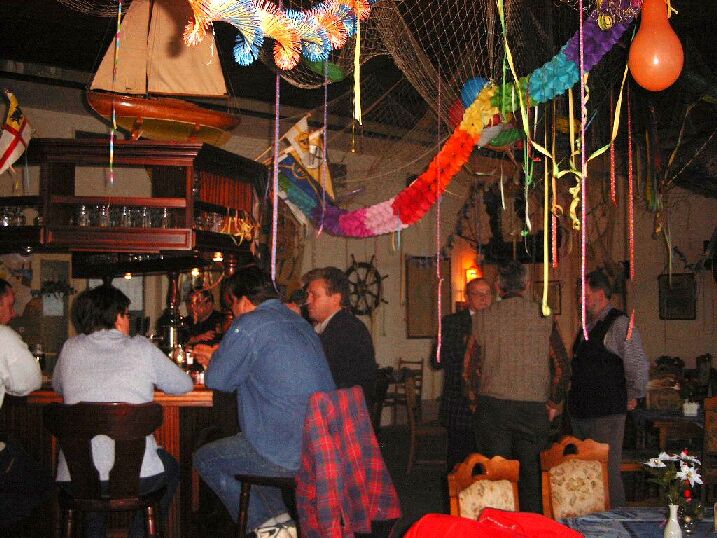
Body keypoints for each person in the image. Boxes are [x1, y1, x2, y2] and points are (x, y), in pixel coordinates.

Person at [192, 266, 335, 536]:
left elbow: (218, 381)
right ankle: (280, 527)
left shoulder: (249, 324)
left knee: (205, 458)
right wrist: (222, 358)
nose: (233, 313)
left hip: (286, 450)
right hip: (318, 445)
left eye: (232, 306)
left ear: (244, 301)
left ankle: (268, 527)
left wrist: (214, 359)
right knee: (248, 453)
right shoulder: (298, 322)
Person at [53, 284, 193, 538]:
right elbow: (184, 384)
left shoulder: (70, 348)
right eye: (127, 314)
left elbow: (57, 386)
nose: (129, 321)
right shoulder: (141, 348)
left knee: (90, 481)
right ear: (118, 316)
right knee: (171, 468)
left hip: (74, 477)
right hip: (139, 477)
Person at [470, 261, 569, 513]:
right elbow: (562, 367)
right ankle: (531, 527)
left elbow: (470, 370)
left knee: (497, 480)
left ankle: (499, 527)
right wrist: (553, 403)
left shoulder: (482, 318)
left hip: (493, 410)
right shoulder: (544, 316)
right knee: (531, 480)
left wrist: (475, 403)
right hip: (532, 410)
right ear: (526, 285)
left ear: (498, 286)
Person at [568, 269, 649, 507]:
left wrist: (633, 394)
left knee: (606, 473)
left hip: (606, 412)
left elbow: (637, 363)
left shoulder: (619, 324)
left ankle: (617, 521)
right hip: (582, 411)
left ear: (600, 294)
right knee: (586, 475)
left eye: (585, 295)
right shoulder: (589, 326)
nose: (580, 300)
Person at [0, 278, 48, 526]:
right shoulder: (2, 336)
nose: (14, 313)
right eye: (10, 305)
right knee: (42, 484)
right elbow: (30, 382)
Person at [432, 277, 492, 472]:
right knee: (459, 464)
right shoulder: (452, 322)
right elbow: (437, 360)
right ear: (467, 297)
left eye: (487, 294)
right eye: (478, 294)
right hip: (460, 403)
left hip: (490, 404)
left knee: (488, 464)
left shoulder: (498, 322)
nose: (484, 298)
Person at [303, 266, 378, 412]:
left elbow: (326, 376)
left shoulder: (347, 329)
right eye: (308, 295)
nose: (307, 301)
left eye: (315, 295)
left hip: (344, 413)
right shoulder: (328, 326)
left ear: (335, 299)